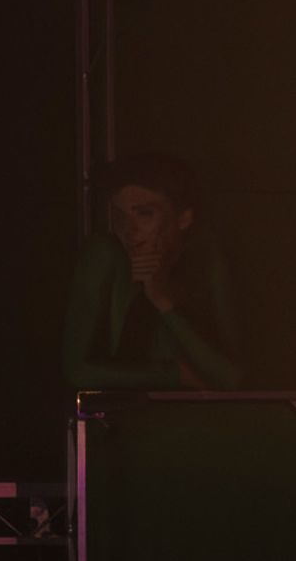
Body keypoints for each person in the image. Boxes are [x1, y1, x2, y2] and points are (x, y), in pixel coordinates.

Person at [63, 151, 242, 391]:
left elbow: (231, 377)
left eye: (145, 214)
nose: (129, 229)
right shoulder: (105, 256)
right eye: (118, 216)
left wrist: (164, 303)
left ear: (183, 219)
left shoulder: (207, 261)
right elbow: (78, 371)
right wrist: (172, 375)